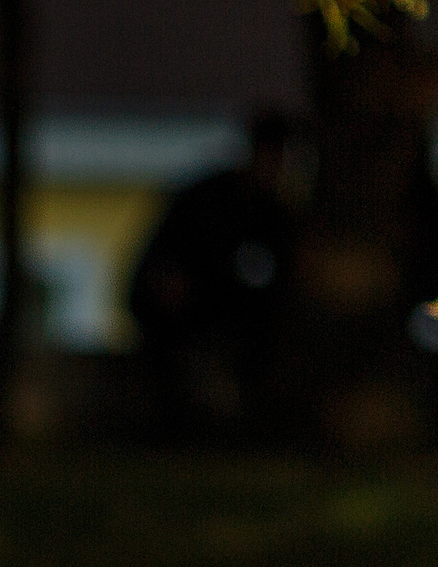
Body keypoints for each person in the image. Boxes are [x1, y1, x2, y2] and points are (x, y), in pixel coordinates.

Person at [126, 107, 307, 434]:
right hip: (181, 317)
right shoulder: (211, 200)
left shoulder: (276, 214)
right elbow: (164, 271)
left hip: (227, 321)